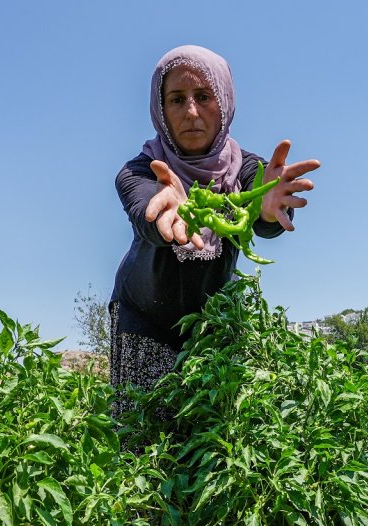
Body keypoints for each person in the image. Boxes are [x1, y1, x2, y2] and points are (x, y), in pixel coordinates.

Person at [111, 44, 321, 397]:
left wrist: (266, 210)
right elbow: (146, 213)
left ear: (223, 102)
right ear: (160, 109)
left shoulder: (248, 169)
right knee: (143, 438)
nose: (191, 111)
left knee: (213, 435)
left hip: (216, 323)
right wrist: (168, 211)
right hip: (143, 321)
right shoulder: (141, 171)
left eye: (203, 96)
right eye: (176, 99)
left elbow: (265, 213)